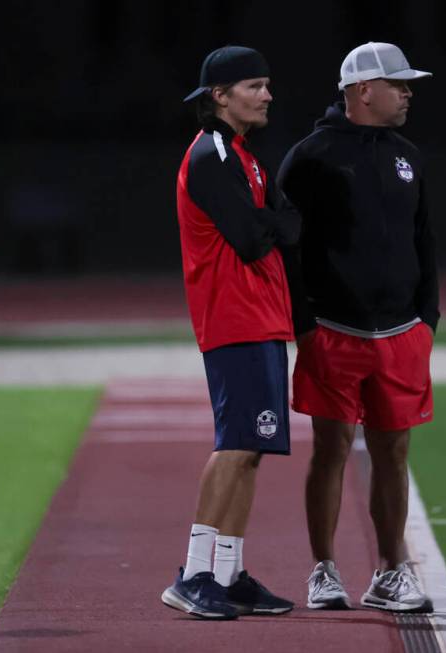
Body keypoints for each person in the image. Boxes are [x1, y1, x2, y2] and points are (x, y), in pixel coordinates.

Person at [278, 42, 439, 613]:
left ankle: (390, 571)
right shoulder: (311, 157)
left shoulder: (408, 156)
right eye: (398, 83)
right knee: (332, 448)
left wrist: (428, 319)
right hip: (334, 328)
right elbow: (287, 250)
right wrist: (302, 323)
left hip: (401, 332)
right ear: (363, 90)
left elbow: (424, 241)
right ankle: (323, 570)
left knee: (394, 454)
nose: (408, 92)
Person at [160, 45, 300, 620]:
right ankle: (193, 573)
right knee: (236, 443)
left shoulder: (245, 156)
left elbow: (281, 224)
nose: (267, 95)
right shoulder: (212, 153)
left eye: (266, 85)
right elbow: (253, 235)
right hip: (233, 317)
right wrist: (276, 223)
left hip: (260, 316)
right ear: (219, 95)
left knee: (253, 449)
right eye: (255, 86)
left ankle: (228, 571)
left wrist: (276, 222)